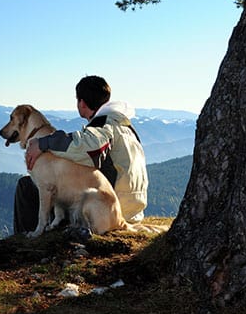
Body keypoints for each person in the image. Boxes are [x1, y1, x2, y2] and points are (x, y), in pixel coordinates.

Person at [13, 75, 149, 234]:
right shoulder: (125, 127)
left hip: (106, 210)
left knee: (28, 186)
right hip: (132, 211)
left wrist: (43, 143)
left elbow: (89, 146)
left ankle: (27, 238)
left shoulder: (103, 126)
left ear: (82, 103)